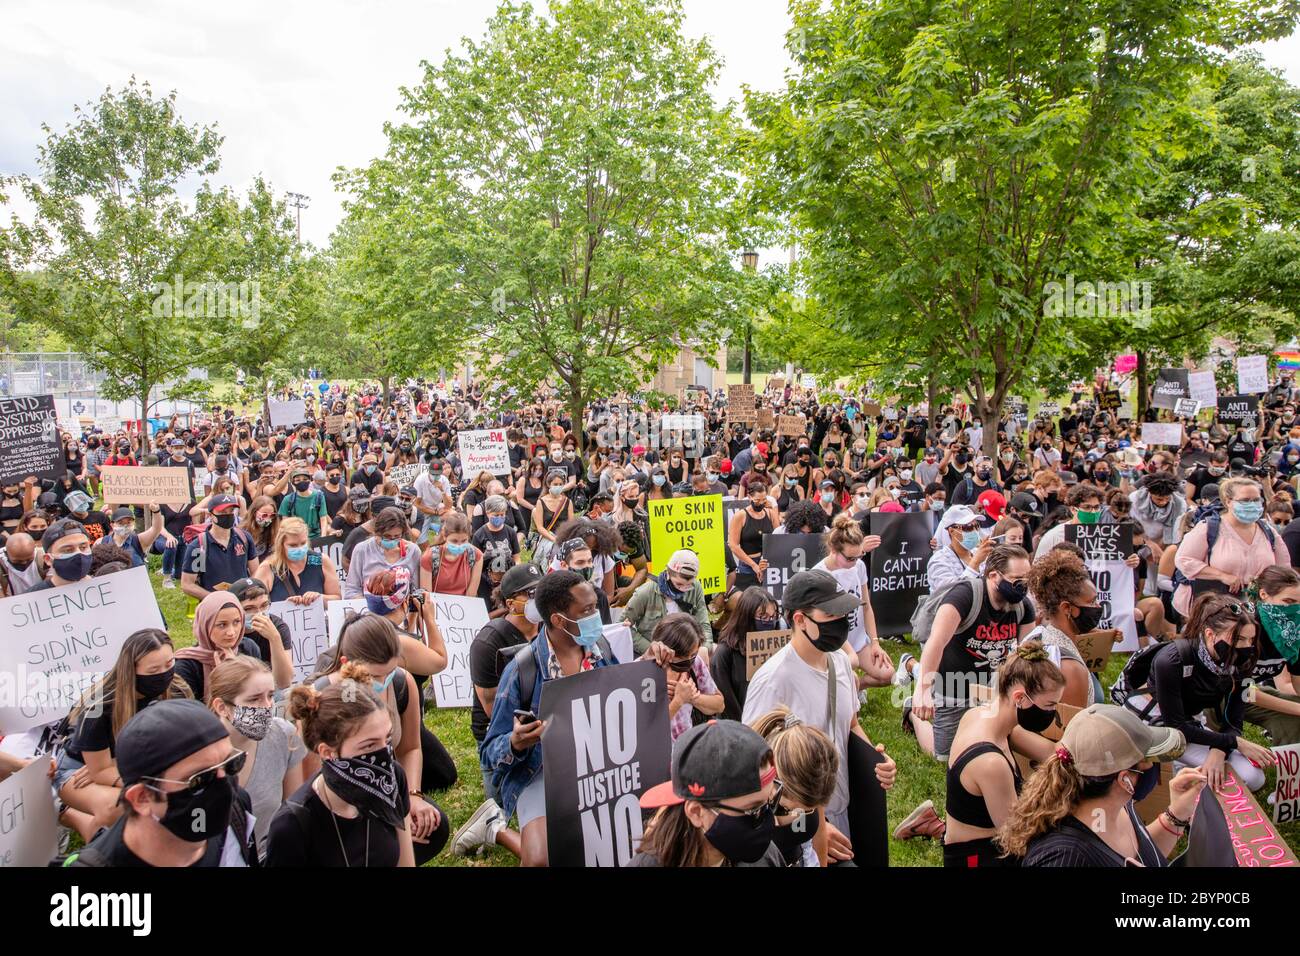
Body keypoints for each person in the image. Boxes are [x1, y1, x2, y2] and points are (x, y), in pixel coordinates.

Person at [742, 570, 897, 864]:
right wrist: (815, 824)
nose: (841, 624)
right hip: (800, 824)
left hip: (845, 805)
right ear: (800, 620)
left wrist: (877, 760)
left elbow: (850, 723)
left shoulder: (840, 662)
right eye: (831, 615)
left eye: (843, 614)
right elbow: (753, 762)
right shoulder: (773, 680)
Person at [479, 569, 618, 866]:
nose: (597, 615)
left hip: (599, 767)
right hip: (541, 771)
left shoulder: (602, 650)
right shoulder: (522, 670)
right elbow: (489, 751)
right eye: (588, 610)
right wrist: (515, 743)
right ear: (558, 620)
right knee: (540, 860)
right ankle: (496, 827)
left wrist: (654, 665)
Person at [308, 614, 452, 860]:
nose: (383, 682)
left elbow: (410, 748)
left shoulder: (401, 683)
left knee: (433, 827)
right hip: (339, 801)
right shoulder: (321, 698)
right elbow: (311, 779)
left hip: (386, 789)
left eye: (390, 671)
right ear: (346, 664)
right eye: (374, 677)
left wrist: (413, 797)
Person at [1000, 704, 1206, 868]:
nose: (1153, 767)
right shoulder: (1065, 858)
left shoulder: (1118, 804)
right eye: (1148, 760)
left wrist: (1177, 814)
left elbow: (1142, 851)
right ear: (1125, 779)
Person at [59, 699, 256, 868]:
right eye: (200, 779)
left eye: (231, 764)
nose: (224, 784)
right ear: (142, 798)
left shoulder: (237, 808)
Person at [265, 668, 419, 867]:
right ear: (327, 752)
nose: (384, 755)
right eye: (369, 745)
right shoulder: (292, 826)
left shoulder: (392, 778)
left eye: (387, 738)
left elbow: (406, 863)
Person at [1125, 592, 1277, 791]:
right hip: (1152, 723)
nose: (1247, 647)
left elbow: (1234, 718)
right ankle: (1178, 770)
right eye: (1239, 639)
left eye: (1251, 640)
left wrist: (1219, 749)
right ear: (1209, 634)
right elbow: (1176, 726)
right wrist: (1233, 742)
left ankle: (1185, 768)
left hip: (1191, 725)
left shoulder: (1241, 662)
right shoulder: (1172, 659)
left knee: (1254, 778)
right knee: (1241, 777)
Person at [53, 628, 192, 839]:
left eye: (170, 664)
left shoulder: (177, 689)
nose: (165, 674)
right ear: (131, 670)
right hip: (79, 770)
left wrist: (120, 764)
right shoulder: (99, 706)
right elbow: (99, 771)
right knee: (120, 807)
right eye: (154, 670)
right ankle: (69, 813)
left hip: (129, 763)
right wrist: (149, 781)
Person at [939, 642, 1064, 866]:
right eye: (1049, 705)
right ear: (1020, 698)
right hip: (977, 858)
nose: (1052, 714)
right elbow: (1018, 836)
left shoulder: (983, 716)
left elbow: (1053, 752)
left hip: (989, 846)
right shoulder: (991, 764)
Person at [909, 545, 1036, 761]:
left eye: (1028, 580)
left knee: (994, 745)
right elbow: (936, 642)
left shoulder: (1023, 607)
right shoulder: (964, 596)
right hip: (952, 685)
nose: (1023, 586)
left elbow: (1026, 655)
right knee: (944, 757)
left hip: (992, 689)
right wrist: (922, 691)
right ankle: (913, 715)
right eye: (1017, 579)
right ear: (994, 575)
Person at [630, 719, 786, 867]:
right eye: (754, 810)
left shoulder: (764, 857)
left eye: (770, 802)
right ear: (696, 812)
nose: (768, 820)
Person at [206, 656, 306, 860]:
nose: (267, 706)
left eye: (270, 696)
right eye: (254, 699)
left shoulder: (283, 735)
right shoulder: (198, 753)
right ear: (222, 707)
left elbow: (291, 811)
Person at [1172, 477, 1288, 615]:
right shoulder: (1209, 528)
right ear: (1228, 501)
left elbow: (1283, 568)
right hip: (1214, 607)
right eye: (1245, 500)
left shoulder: (1268, 531)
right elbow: (1184, 560)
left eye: (1256, 500)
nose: (1252, 504)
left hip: (1255, 609)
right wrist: (1222, 575)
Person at [749, 706, 839, 866]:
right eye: (783, 807)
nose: (798, 816)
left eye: (807, 810)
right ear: (771, 777)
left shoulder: (811, 783)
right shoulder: (741, 802)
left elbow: (818, 834)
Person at [811, 513, 892, 688]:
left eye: (859, 556)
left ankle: (857, 688)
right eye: (850, 558)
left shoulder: (859, 566)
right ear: (833, 549)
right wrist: (849, 655)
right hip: (835, 645)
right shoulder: (820, 576)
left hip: (859, 640)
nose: (855, 562)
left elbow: (867, 607)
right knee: (850, 677)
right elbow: (828, 625)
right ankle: (850, 686)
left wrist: (875, 642)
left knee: (888, 674)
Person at [1023, 549, 1103, 707]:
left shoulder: (1040, 636)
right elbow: (1072, 727)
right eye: (1092, 602)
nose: (1098, 606)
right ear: (1067, 608)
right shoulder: (1069, 667)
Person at [646, 612, 724, 740]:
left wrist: (692, 697)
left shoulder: (695, 663)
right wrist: (678, 701)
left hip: (685, 752)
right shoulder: (643, 671)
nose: (688, 661)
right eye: (681, 656)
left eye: (692, 654)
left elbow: (719, 705)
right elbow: (647, 730)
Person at [1244, 566, 1300, 745]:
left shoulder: (1292, 633)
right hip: (1210, 694)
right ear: (1263, 595)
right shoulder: (1245, 627)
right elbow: (1242, 691)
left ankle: (1292, 771)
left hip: (1247, 693)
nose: (1294, 610)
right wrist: (1297, 708)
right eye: (1288, 601)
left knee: (1294, 716)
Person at [176, 591, 264, 702]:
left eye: (237, 622)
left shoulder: (249, 648)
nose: (231, 632)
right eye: (222, 625)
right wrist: (222, 679)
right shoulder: (187, 665)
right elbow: (188, 714)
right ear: (205, 625)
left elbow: (260, 697)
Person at [623, 548, 713, 654]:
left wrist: (705, 648)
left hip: (685, 652)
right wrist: (650, 649)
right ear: (668, 575)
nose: (683, 589)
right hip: (654, 655)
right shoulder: (646, 592)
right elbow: (622, 627)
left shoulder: (696, 587)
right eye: (679, 584)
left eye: (688, 585)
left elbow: (703, 624)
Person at [711, 586, 780, 720]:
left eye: (773, 616)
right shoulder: (725, 653)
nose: (769, 621)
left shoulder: (781, 647)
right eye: (762, 616)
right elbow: (726, 703)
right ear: (746, 616)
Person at [181, 494, 259, 600]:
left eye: (231, 511)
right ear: (211, 514)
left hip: (243, 601)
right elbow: (187, 584)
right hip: (215, 606)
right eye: (222, 512)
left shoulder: (244, 538)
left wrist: (248, 591)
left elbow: (256, 571)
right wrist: (215, 598)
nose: (227, 515)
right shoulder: (199, 546)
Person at [225, 577, 295, 690]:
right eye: (249, 609)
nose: (259, 613)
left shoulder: (278, 626)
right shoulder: (229, 631)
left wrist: (274, 638)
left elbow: (284, 682)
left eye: (264, 605)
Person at [344, 507, 422, 598]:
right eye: (387, 536)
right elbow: (351, 589)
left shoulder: (413, 551)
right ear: (377, 532)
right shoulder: (362, 550)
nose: (392, 540)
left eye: (397, 536)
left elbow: (417, 590)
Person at [925, 504, 993, 592]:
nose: (975, 531)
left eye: (976, 526)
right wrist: (975, 563)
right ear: (952, 531)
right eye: (968, 527)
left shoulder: (979, 554)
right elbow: (949, 594)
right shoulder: (939, 560)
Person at [727, 476, 775, 591]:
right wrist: (753, 565)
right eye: (757, 500)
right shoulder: (741, 516)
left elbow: (777, 537)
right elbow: (733, 545)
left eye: (764, 500)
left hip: (767, 562)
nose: (760, 503)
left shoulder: (769, 513)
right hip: (748, 563)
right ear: (749, 497)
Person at [420, 510, 484, 597]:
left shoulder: (476, 555)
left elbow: (471, 594)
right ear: (444, 536)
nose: (459, 545)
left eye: (464, 540)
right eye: (454, 541)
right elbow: (427, 596)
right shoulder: (429, 557)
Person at [29, 519, 95, 591]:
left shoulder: (105, 587)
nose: (78, 553)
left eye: (83, 547)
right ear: (48, 559)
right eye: (68, 550)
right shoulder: (30, 598)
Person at [0, 531, 42, 595]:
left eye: (29, 559)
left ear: (34, 550)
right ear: (6, 553)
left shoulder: (42, 558)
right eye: (18, 561)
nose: (24, 563)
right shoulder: (1, 564)